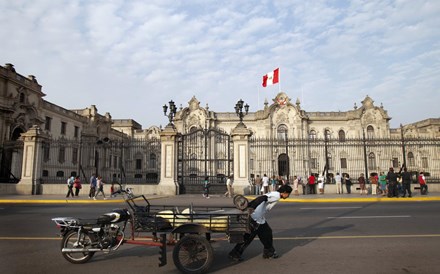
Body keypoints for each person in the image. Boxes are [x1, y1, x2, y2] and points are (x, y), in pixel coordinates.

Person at [228, 184, 293, 262]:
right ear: (284, 192)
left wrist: (249, 205)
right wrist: (252, 207)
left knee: (266, 233)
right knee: (249, 237)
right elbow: (262, 198)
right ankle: (235, 253)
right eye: (288, 194)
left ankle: (269, 253)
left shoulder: (274, 193)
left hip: (259, 217)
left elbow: (260, 199)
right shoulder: (277, 195)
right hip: (256, 218)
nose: (288, 196)